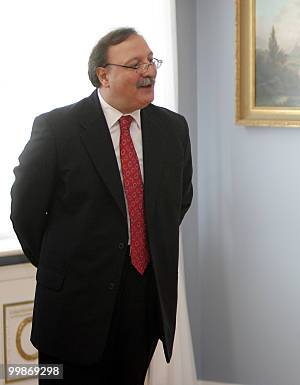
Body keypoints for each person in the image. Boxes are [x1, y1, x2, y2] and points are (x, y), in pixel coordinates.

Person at [10, 27, 193, 385]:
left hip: (143, 302)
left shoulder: (173, 128)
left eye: (151, 61)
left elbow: (178, 203)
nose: (149, 71)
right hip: (72, 308)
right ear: (103, 75)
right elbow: (25, 212)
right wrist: (60, 266)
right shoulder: (57, 128)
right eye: (135, 64)